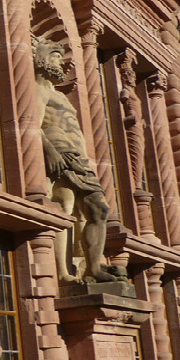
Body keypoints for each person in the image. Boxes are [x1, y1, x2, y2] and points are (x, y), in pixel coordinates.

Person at [33, 36, 122, 283]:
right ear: (41, 59)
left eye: (61, 58)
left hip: (79, 159)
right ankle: (62, 273)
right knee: (64, 204)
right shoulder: (38, 90)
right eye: (55, 57)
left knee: (99, 209)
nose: (60, 64)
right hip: (60, 154)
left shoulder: (60, 95)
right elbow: (33, 124)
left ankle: (94, 268)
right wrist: (49, 150)